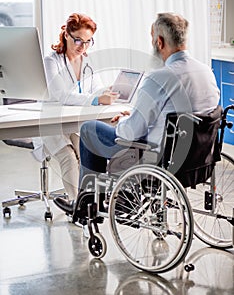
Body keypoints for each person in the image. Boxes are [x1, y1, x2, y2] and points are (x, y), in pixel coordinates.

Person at [57, 11, 220, 215]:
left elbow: (130, 133)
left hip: (157, 156)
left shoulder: (159, 78)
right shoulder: (206, 71)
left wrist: (124, 121)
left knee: (89, 129)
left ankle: (87, 206)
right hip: (199, 158)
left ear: (159, 42)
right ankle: (115, 199)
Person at [32, 13, 118, 214]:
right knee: (68, 157)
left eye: (88, 42)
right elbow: (60, 94)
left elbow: (94, 89)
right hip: (50, 121)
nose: (83, 47)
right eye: (78, 40)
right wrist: (97, 99)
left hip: (73, 121)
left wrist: (107, 91)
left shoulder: (87, 61)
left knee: (87, 153)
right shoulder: (51, 61)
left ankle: (93, 203)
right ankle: (76, 205)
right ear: (66, 35)